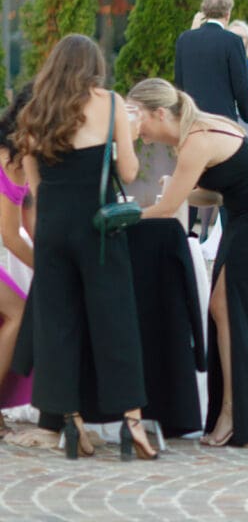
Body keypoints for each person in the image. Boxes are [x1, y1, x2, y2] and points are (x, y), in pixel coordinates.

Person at [128, 78, 248, 448]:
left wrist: (126, 215)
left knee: (224, 307)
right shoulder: (198, 131)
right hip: (246, 215)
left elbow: (169, 209)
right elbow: (217, 193)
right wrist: (180, 186)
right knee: (233, 311)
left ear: (159, 112)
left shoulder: (195, 140)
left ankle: (234, 414)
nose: (135, 127)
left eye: (137, 116)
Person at [16, 34, 156, 460]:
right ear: (94, 65)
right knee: (115, 321)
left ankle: (71, 421)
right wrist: (126, 135)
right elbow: (129, 172)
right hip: (97, 227)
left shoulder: (37, 109)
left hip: (54, 227)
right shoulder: (110, 103)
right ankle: (132, 423)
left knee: (57, 325)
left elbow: (34, 184)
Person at [0, 84, 35, 436]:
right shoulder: (10, 162)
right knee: (18, 312)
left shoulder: (18, 159)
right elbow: (12, 237)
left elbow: (28, 223)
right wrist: (49, 269)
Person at [174, 0, 248, 124]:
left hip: (192, 118)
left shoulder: (184, 39)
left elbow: (179, 82)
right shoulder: (233, 41)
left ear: (205, 13)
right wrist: (246, 114)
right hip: (222, 120)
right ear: (228, 14)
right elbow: (241, 84)